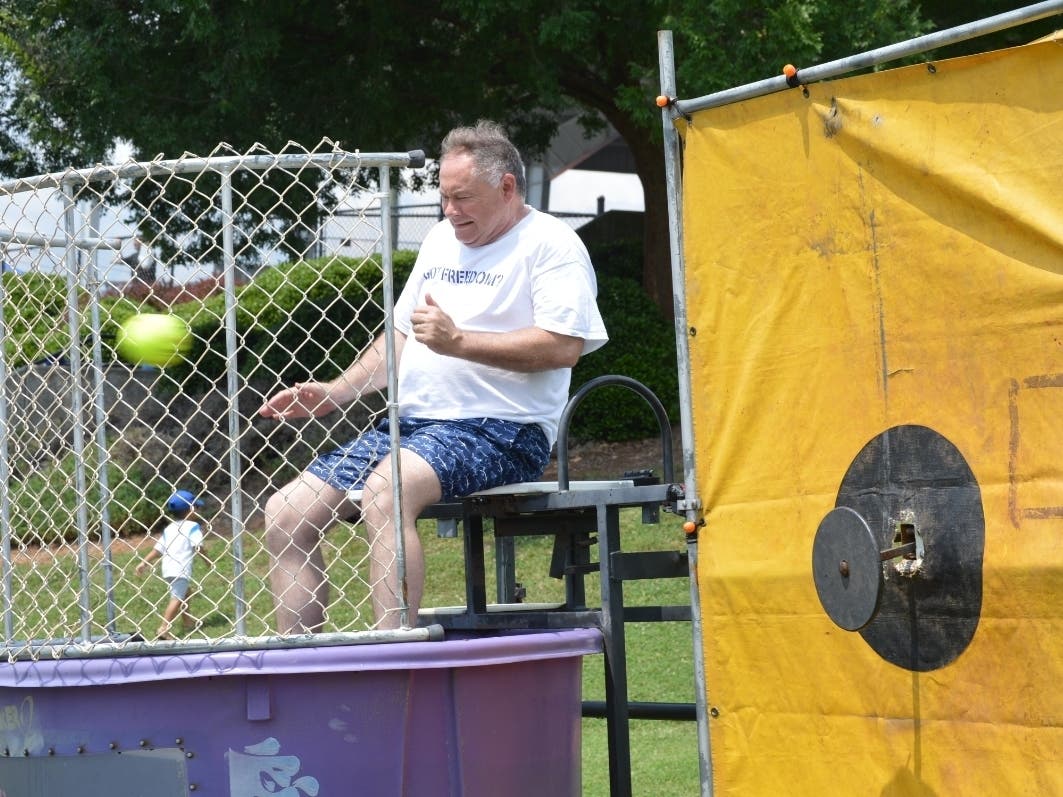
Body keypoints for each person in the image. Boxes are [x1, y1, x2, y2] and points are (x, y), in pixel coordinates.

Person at [258, 119, 608, 633]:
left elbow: (563, 346)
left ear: (507, 187)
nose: (449, 210)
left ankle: (394, 654)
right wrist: (334, 393)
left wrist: (460, 342)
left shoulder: (552, 245)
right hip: (414, 428)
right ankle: (302, 668)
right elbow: (399, 338)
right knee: (285, 512)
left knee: (387, 488)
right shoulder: (443, 239)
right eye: (444, 197)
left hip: (502, 430)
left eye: (462, 198)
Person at [136, 489, 210, 639]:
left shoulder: (169, 528)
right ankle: (164, 628)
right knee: (177, 598)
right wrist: (207, 560)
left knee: (185, 592)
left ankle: (187, 621)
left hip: (168, 568)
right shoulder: (192, 527)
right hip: (180, 569)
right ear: (190, 509)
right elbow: (197, 546)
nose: (198, 510)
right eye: (196, 507)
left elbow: (158, 550)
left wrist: (144, 562)